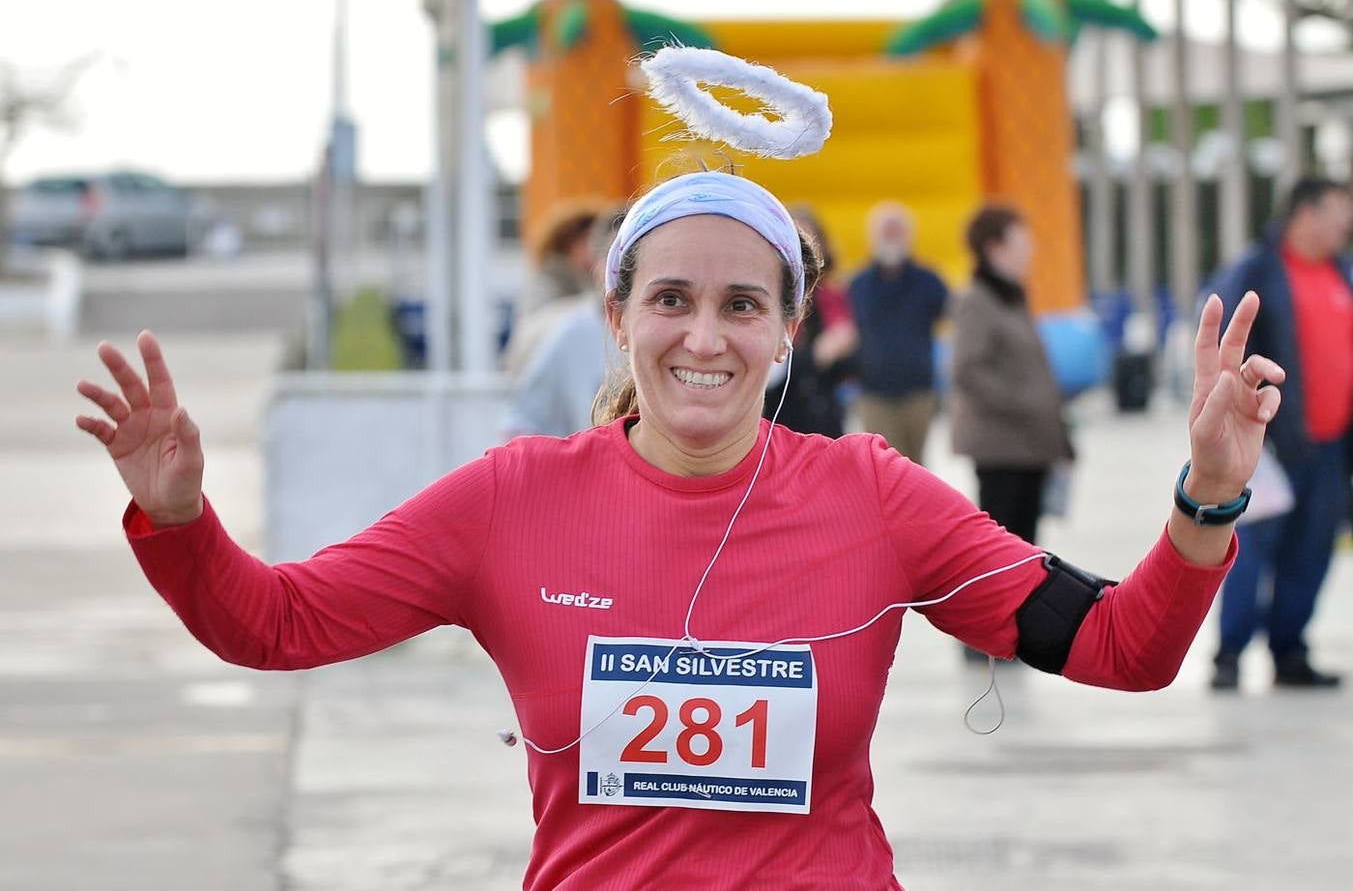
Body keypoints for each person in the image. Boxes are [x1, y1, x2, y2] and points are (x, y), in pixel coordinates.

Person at [77, 168, 1281, 890]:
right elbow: (273, 624)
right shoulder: (512, 501)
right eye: (671, 300)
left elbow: (1127, 649)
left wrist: (1208, 494)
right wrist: (179, 517)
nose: (704, 337)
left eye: (741, 305)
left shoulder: (871, 493)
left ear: (786, 337)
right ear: (618, 316)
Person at [1209, 176, 1353, 690]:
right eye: (1338, 209)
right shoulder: (1258, 271)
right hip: (1269, 445)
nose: (1346, 221)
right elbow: (1227, 345)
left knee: (1312, 553)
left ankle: (1289, 651)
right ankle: (1229, 653)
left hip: (1332, 447)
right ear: (1305, 214)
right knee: (1249, 551)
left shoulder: (1343, 273)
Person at [950, 204, 1073, 548]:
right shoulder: (978, 299)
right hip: (1001, 448)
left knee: (1026, 548)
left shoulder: (1009, 297)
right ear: (994, 248)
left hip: (1028, 446)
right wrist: (1025, 403)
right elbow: (967, 370)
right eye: (1021, 243)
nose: (1029, 251)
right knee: (1004, 547)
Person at [504, 209, 626, 438]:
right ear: (595, 264)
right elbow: (525, 424)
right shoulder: (568, 332)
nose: (626, 274)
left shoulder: (681, 335)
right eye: (617, 261)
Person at [846, 202, 949, 464]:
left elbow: (951, 316)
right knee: (885, 465)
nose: (891, 237)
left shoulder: (928, 281)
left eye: (896, 231)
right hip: (874, 392)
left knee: (918, 466)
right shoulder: (858, 285)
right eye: (886, 231)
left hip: (919, 391)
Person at [761, 206, 856, 437]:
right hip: (779, 406)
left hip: (819, 406)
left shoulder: (830, 295)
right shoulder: (768, 295)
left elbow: (843, 342)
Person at [503, 200, 608, 377]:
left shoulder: (591, 281)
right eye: (590, 240)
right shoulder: (546, 281)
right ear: (569, 242)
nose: (598, 248)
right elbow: (537, 330)